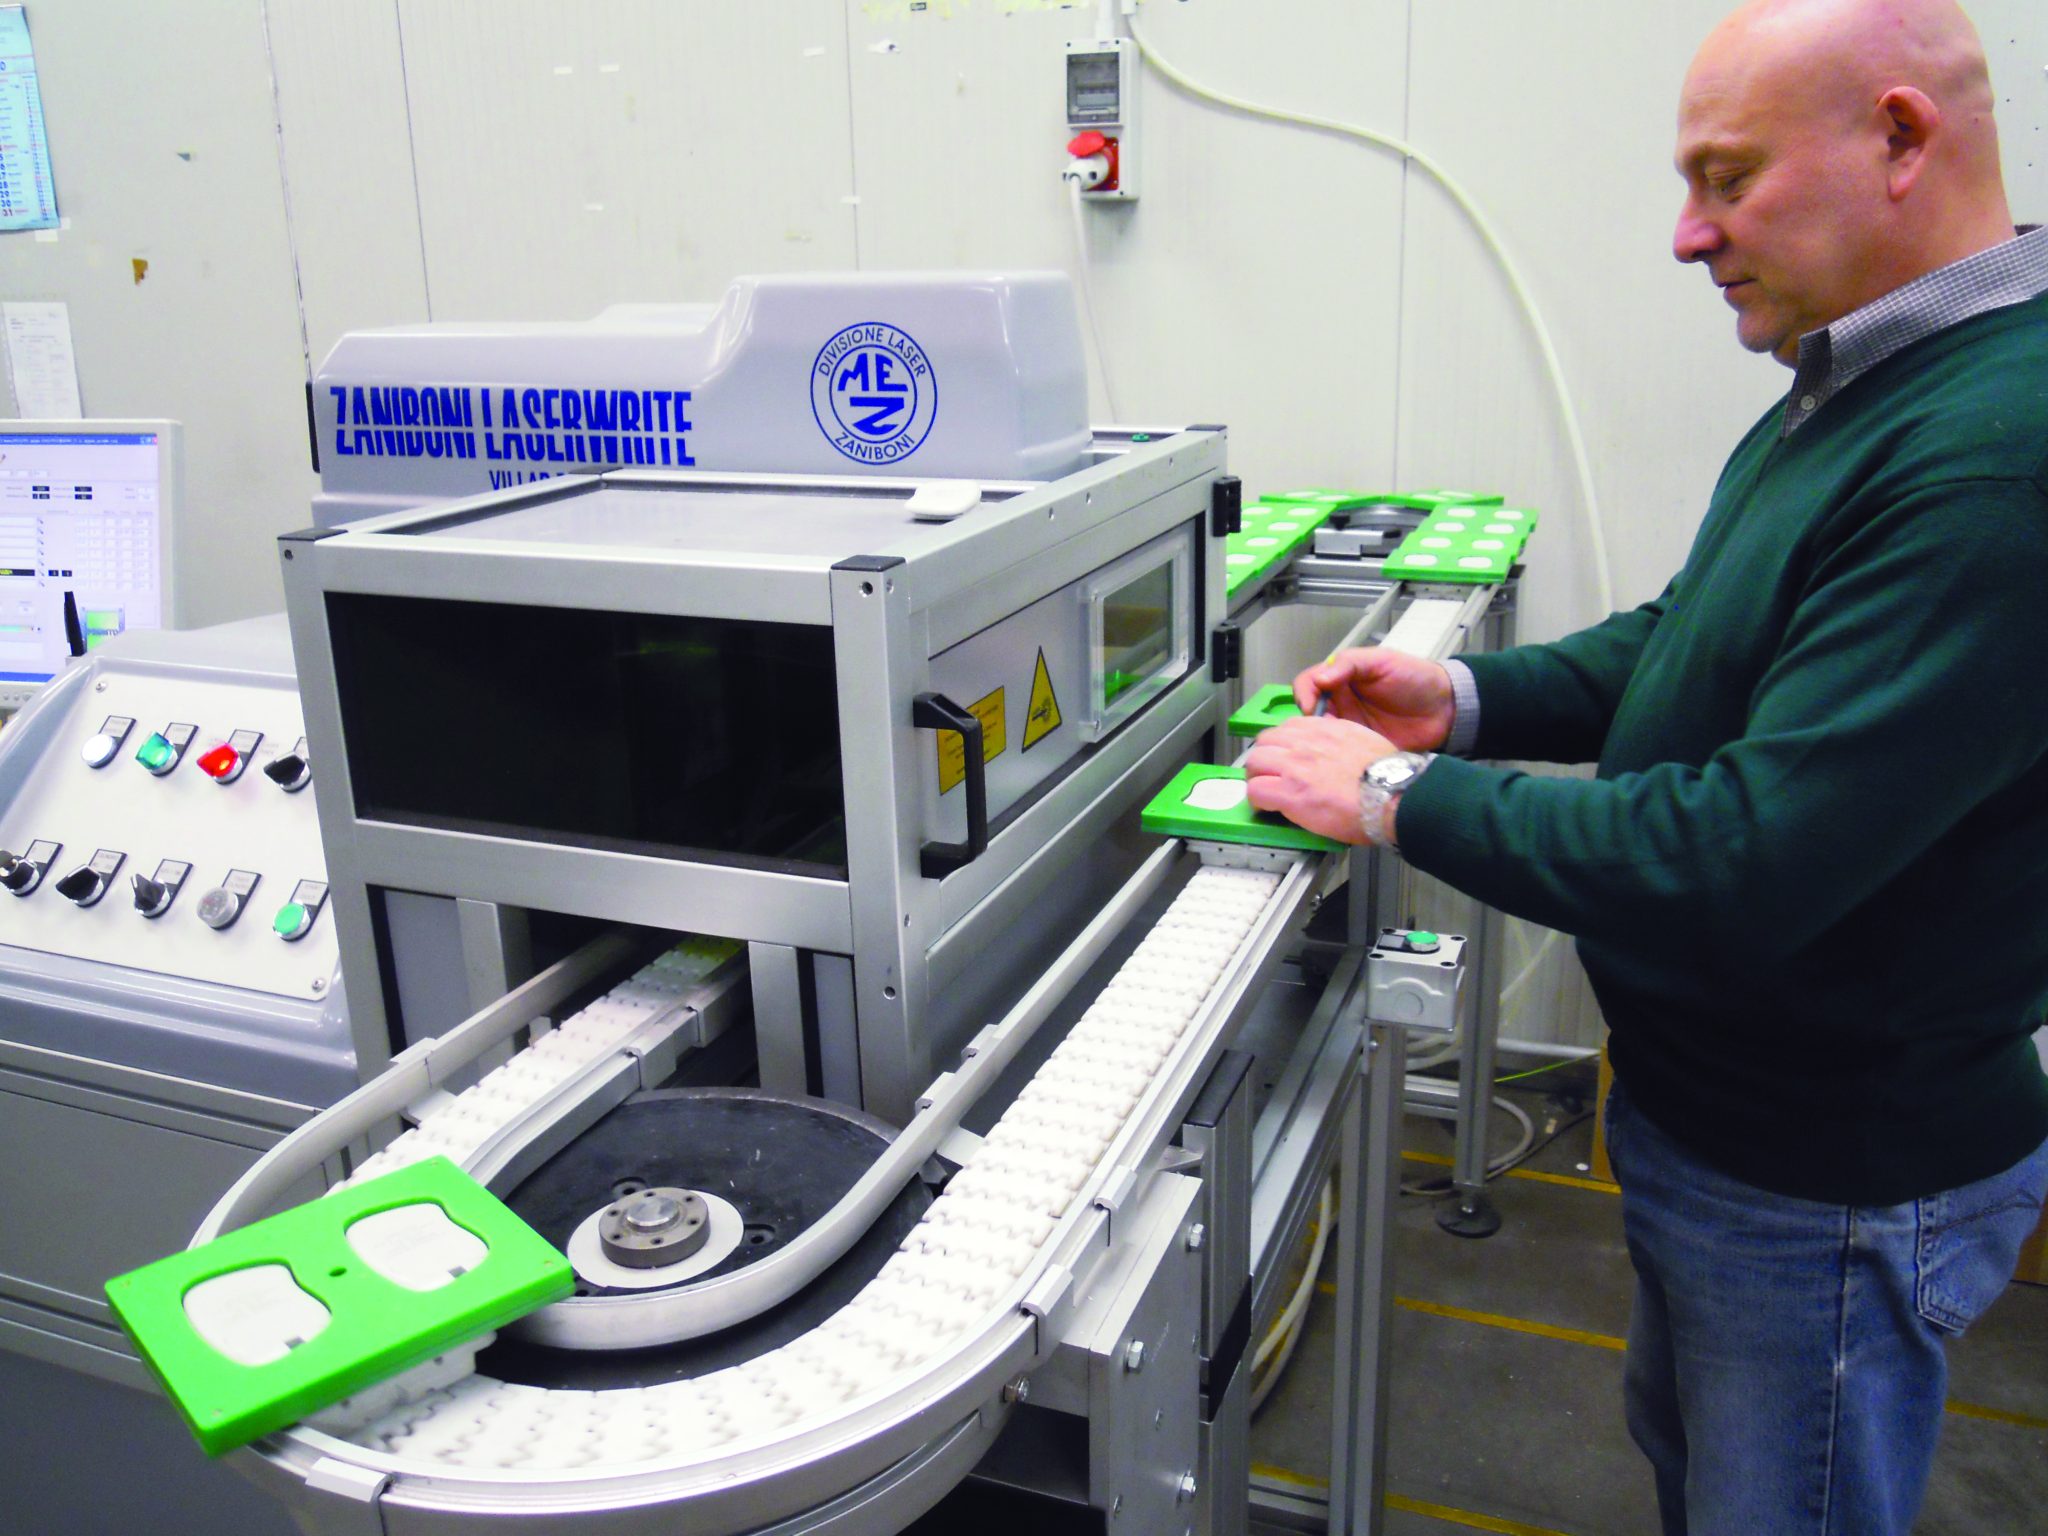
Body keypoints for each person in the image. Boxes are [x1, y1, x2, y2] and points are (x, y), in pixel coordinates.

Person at [1242, 1, 2048, 1531]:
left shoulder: (1997, 456)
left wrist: (1393, 798)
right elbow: (1693, 639)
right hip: (1724, 1130)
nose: (1688, 235)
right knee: (1701, 1474)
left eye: (1728, 179)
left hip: (1828, 1179)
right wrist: (1458, 701)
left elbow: (1744, 857)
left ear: (1898, 137)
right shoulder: (1862, 381)